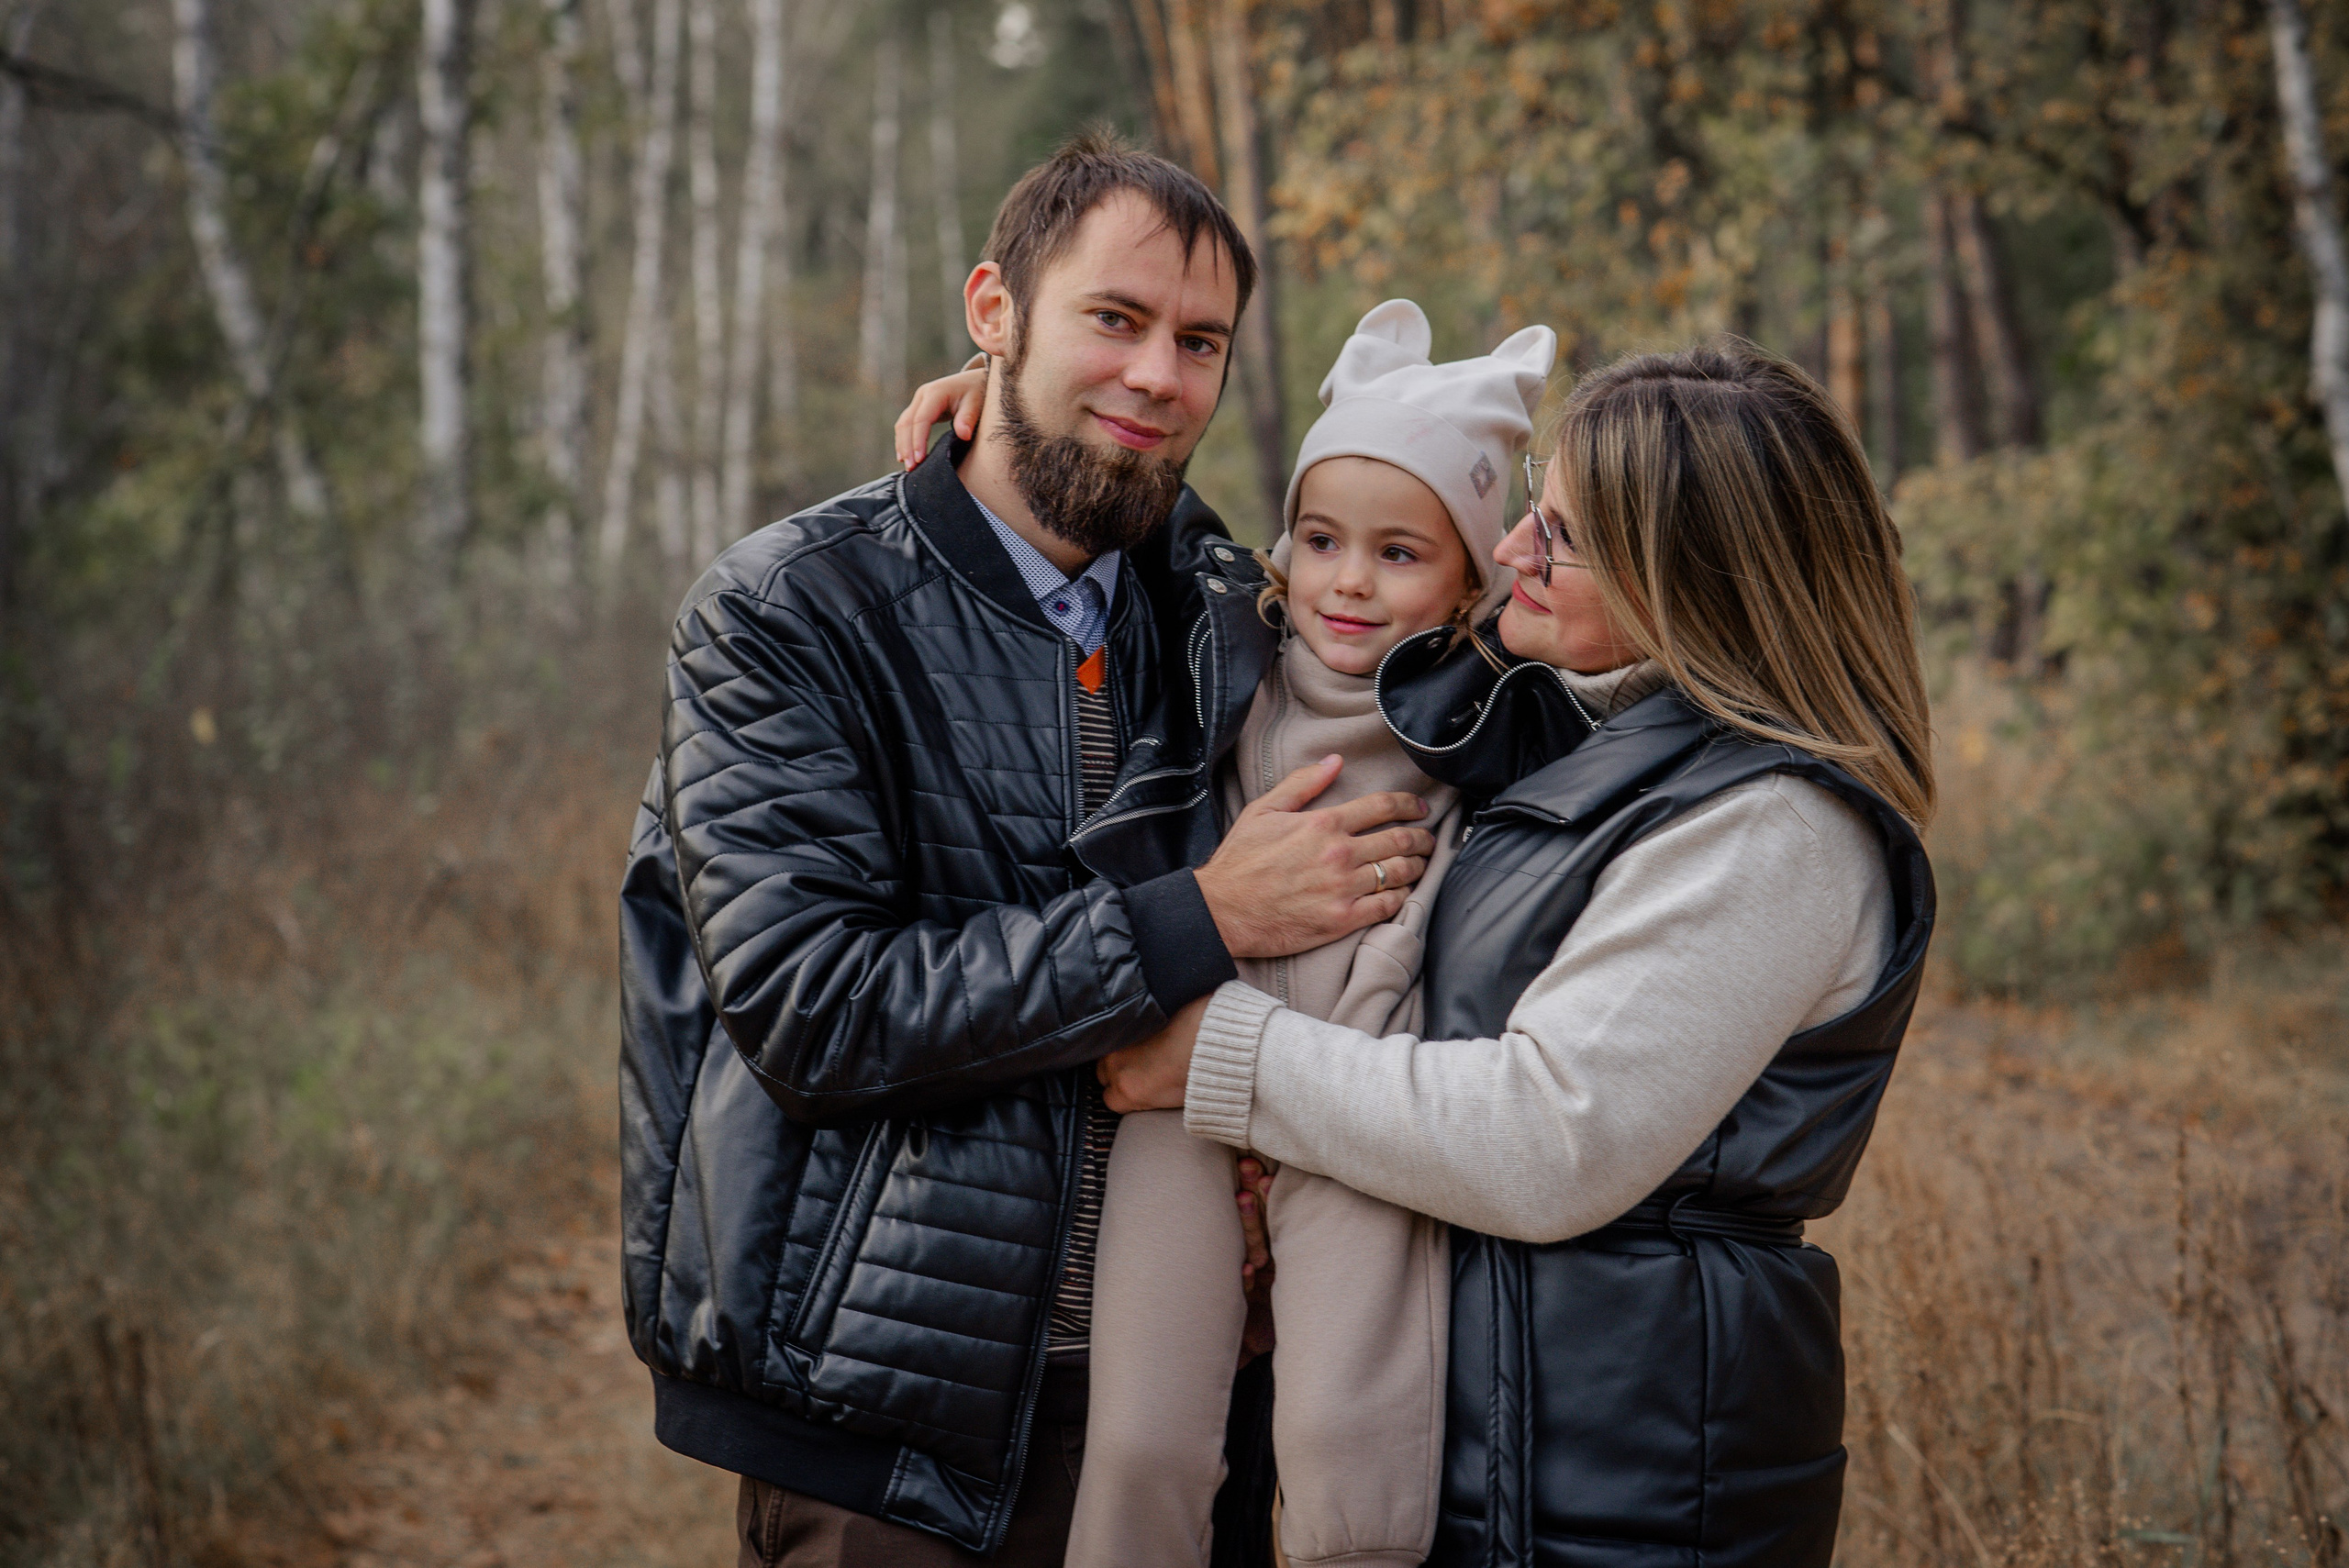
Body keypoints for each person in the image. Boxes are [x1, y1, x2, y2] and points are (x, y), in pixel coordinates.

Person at [617, 130, 1437, 1568]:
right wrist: (1200, 915)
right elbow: (814, 1006)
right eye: (1113, 319)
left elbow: (1457, 584)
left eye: (1198, 342)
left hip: (1186, 1401)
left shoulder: (1220, 606)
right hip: (890, 1428)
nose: (1158, 375)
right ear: (993, 310)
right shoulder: (790, 612)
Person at [1098, 340, 1941, 1568]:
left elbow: (1549, 1136)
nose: (1510, 550)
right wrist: (1003, 416)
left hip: (1624, 1488)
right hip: (1505, 1457)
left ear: (1690, 575)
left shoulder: (1774, 827)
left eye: (1563, 537)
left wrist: (1219, 1056)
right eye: (1535, 507)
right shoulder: (1587, 740)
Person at [1068, 301, 1553, 1568]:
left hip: (1365, 1104)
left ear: (1474, 577)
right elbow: (1129, 502)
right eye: (1324, 539)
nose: (1348, 580)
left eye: (1400, 554)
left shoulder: (1497, 709)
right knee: (1143, 1440)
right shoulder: (1226, 647)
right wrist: (977, 389)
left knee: (1351, 1446)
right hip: (1182, 1087)